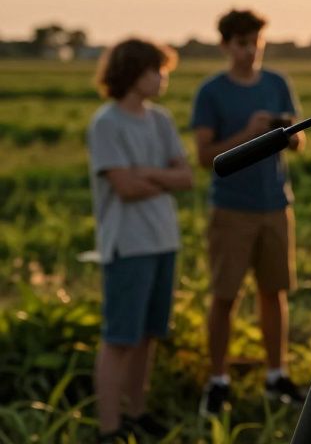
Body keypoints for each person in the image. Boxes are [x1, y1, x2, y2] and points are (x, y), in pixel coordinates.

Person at [191, 9, 306, 416]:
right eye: (242, 43)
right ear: (225, 46)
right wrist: (249, 134)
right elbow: (205, 156)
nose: (250, 50)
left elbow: (299, 139)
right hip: (231, 208)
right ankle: (218, 380)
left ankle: (277, 374)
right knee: (225, 295)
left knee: (274, 293)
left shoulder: (277, 83)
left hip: (275, 204)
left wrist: (286, 135)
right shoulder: (211, 92)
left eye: (256, 41)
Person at [87, 38, 192, 442]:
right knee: (119, 339)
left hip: (163, 240)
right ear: (134, 73)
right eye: (157, 70)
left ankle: (137, 413)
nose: (163, 78)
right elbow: (124, 187)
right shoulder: (106, 123)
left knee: (148, 336)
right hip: (127, 244)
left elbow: (185, 178)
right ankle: (109, 428)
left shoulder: (160, 119)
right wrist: (157, 176)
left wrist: (146, 173)